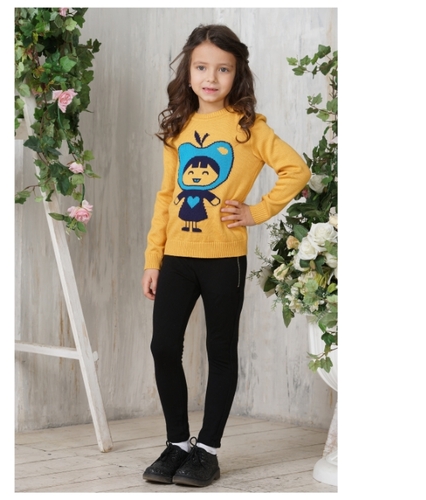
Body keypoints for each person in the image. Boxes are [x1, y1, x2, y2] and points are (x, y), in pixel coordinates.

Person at [141, 24, 311, 488]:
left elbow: (296, 170)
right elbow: (166, 196)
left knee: (220, 351)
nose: (211, 78)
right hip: (176, 257)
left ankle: (208, 451)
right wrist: (153, 259)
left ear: (237, 75)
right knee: (163, 347)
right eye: (201, 67)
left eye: (223, 69)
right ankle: (178, 444)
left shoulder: (248, 127)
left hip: (223, 260)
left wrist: (256, 212)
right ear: (188, 71)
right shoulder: (179, 127)